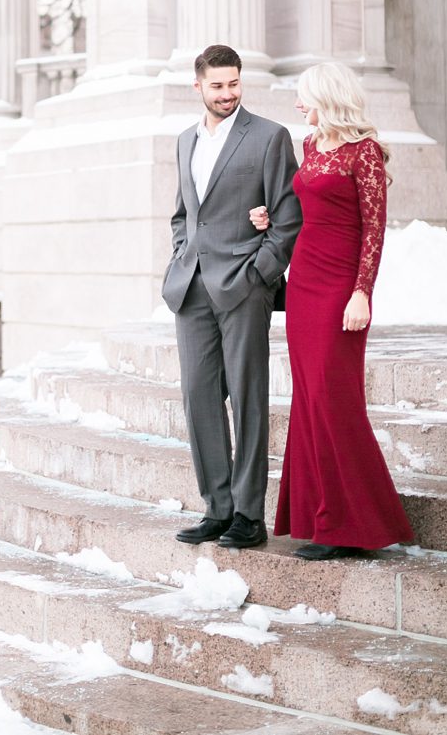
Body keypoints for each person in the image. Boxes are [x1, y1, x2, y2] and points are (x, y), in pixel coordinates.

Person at [250, 62, 413, 559]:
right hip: (303, 284)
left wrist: (362, 292)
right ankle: (318, 517)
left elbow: (374, 227)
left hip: (342, 286)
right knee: (308, 399)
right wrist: (270, 217)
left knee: (333, 399)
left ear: (328, 96)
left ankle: (353, 524)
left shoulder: (364, 152)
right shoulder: (309, 146)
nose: (299, 106)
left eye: (304, 97)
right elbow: (308, 212)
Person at [161, 44, 302, 550]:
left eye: (234, 84)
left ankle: (248, 513)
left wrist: (259, 274)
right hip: (191, 287)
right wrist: (182, 255)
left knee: (247, 398)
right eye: (217, 85)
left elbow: (287, 220)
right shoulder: (185, 141)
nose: (227, 93)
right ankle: (216, 508)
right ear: (197, 86)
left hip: (244, 286)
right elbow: (183, 214)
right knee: (199, 398)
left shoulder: (269, 137)